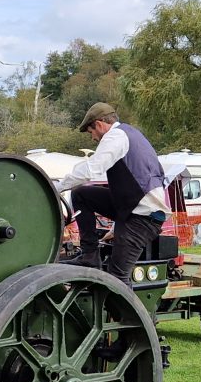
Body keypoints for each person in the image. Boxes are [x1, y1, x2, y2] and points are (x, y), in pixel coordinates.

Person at [56, 102, 171, 287]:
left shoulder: (116, 136)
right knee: (81, 194)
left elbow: (91, 169)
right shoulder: (131, 134)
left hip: (142, 217)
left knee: (118, 279)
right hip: (135, 210)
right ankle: (89, 256)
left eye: (91, 132)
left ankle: (139, 317)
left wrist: (57, 187)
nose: (93, 138)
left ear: (99, 124)